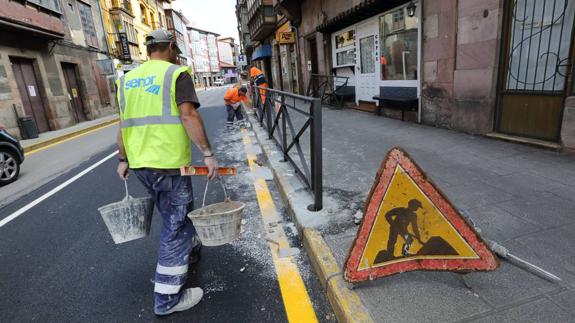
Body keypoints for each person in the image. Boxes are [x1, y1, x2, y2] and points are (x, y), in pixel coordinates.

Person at [115, 28, 219, 316]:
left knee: (174, 214)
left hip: (140, 165)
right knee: (176, 227)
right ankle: (167, 298)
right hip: (168, 164)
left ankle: (190, 252)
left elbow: (123, 124)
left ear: (149, 49)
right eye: (175, 49)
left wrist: (122, 159)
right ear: (171, 47)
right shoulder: (176, 73)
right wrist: (208, 154)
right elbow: (188, 115)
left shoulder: (126, 80)